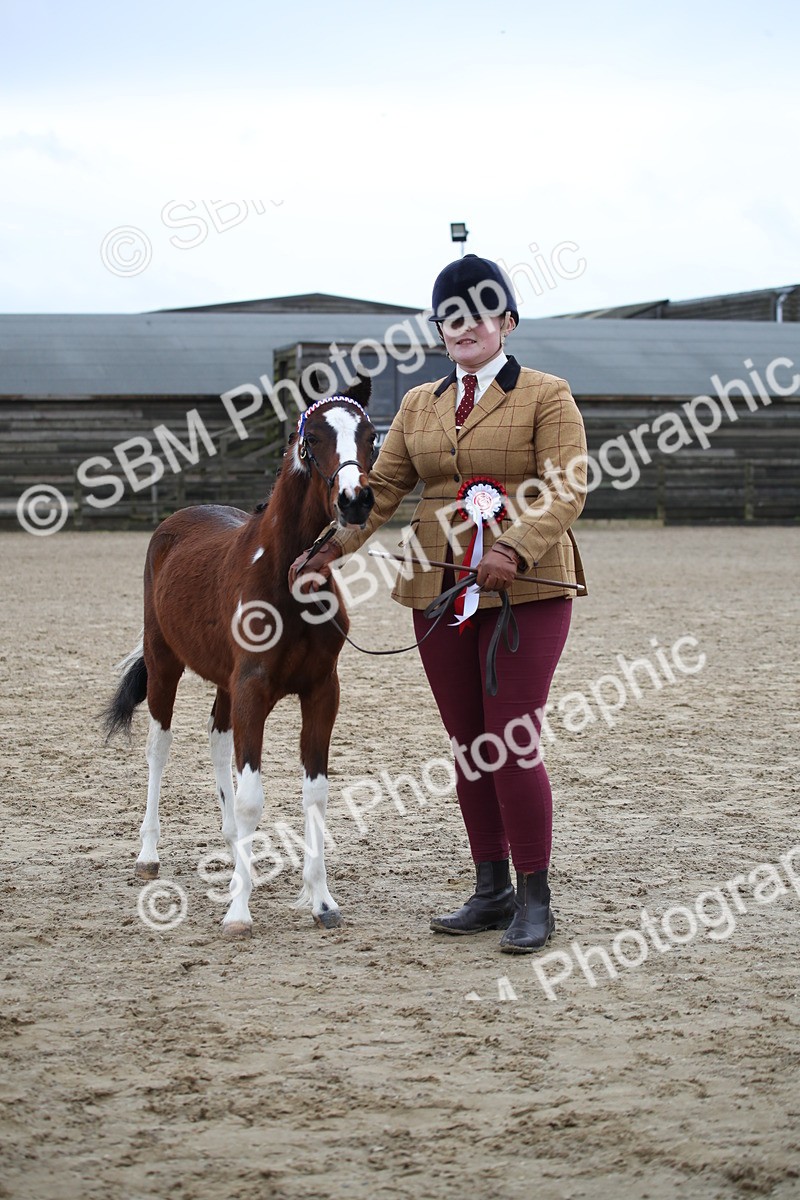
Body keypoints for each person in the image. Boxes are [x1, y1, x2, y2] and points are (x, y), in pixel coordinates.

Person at [289, 254, 588, 953]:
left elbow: (567, 485)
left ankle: (534, 895)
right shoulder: (420, 404)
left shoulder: (547, 394)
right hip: (437, 591)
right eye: (450, 317)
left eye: (479, 313)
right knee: (469, 747)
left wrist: (512, 546)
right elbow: (382, 491)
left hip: (526, 590)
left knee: (511, 740)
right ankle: (491, 889)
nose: (464, 327)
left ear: (507, 322)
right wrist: (333, 547)